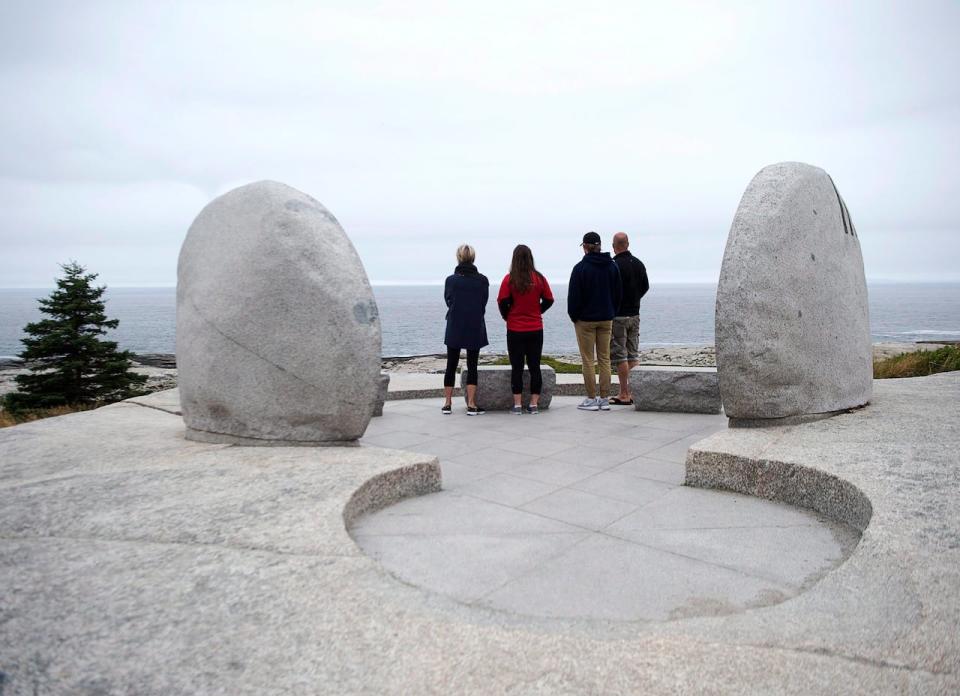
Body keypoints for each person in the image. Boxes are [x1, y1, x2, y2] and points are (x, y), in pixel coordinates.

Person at [497, 245, 555, 415]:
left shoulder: (509, 279)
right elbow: (549, 299)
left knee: (517, 367)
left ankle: (517, 405)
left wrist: (507, 316)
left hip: (515, 328)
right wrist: (539, 310)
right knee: (534, 366)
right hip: (535, 328)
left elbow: (502, 301)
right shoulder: (539, 278)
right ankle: (534, 404)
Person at [567, 231, 622, 411]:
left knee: (588, 359)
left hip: (585, 320)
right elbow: (618, 294)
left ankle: (591, 398)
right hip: (606, 318)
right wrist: (612, 312)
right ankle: (605, 398)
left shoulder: (580, 268)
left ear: (585, 247)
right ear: (599, 246)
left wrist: (575, 316)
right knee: (605, 358)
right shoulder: (612, 266)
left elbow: (574, 297)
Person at [442, 244, 489, 415]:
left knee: (451, 364)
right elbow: (483, 303)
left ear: (458, 258)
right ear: (473, 258)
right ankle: (471, 403)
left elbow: (449, 300)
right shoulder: (482, 280)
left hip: (455, 323)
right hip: (474, 323)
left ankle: (447, 403)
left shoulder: (451, 280)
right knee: (472, 365)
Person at [609, 232, 650, 405]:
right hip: (635, 314)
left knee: (620, 356)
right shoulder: (639, 264)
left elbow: (609, 290)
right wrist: (635, 299)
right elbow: (645, 286)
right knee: (633, 354)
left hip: (618, 315)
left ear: (614, 246)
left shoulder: (614, 265)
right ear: (627, 244)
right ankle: (634, 392)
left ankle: (624, 393)